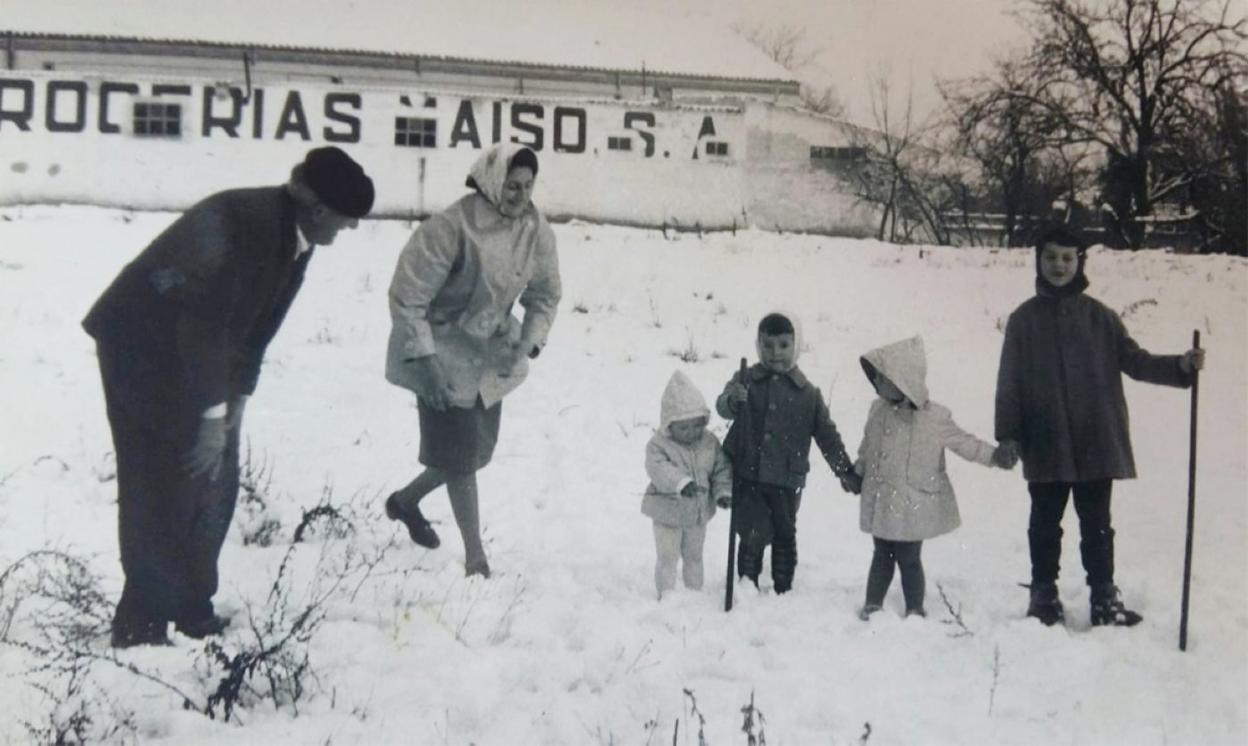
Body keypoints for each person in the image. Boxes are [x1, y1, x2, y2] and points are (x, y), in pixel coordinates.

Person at [83, 147, 375, 647]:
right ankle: (140, 626)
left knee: (215, 479)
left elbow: (258, 325)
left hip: (192, 352)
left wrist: (237, 398)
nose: (348, 229)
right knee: (161, 480)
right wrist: (210, 416)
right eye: (345, 218)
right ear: (318, 208)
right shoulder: (252, 226)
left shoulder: (295, 234)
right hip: (141, 347)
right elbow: (206, 325)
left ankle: (192, 607)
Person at [995, 225, 1205, 627]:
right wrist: (1008, 435)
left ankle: (1104, 597)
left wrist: (1180, 366)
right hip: (1046, 440)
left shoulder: (1101, 317)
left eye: (1067, 258)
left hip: (1096, 440)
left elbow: (1136, 361)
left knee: (1097, 524)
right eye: (1051, 257)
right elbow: (1009, 383)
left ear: (1080, 262)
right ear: (1038, 260)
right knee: (1044, 523)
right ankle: (1043, 595)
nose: (1059, 265)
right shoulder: (1023, 321)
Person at [384, 142, 561, 578]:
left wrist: (530, 341)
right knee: (461, 456)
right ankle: (475, 557)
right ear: (491, 181)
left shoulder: (535, 228)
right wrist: (427, 363)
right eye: (512, 185)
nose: (521, 195)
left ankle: (405, 502)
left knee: (472, 451)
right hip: (440, 350)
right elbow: (408, 296)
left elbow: (545, 293)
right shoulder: (452, 226)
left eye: (528, 185)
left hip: (491, 352)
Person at [853, 336, 1016, 620]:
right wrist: (859, 470)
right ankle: (873, 603)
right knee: (881, 553)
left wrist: (993, 456)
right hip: (883, 500)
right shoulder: (877, 411)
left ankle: (915, 607)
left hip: (913, 502)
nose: (876, 383)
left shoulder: (933, 417)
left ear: (903, 380)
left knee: (909, 557)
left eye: (882, 377)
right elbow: (867, 446)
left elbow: (964, 442)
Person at [715, 311, 859, 594]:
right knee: (751, 531)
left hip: (787, 478)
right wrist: (733, 400)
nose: (775, 353)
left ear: (796, 345)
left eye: (783, 345)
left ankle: (783, 587)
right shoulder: (745, 379)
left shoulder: (808, 394)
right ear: (758, 345)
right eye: (767, 345)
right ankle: (747, 583)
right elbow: (722, 406)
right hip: (750, 472)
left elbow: (827, 436)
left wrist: (844, 469)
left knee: (784, 531)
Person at [642, 371, 733, 599]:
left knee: (694, 556)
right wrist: (682, 483)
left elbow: (721, 468)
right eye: (683, 428)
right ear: (669, 425)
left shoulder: (709, 442)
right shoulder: (658, 445)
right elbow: (659, 469)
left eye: (696, 426)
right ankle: (666, 594)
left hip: (697, 514)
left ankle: (694, 593)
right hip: (667, 513)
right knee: (668, 556)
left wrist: (722, 492)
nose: (691, 433)